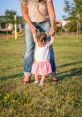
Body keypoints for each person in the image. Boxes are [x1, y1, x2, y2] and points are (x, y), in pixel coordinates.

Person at [21, 0, 58, 84]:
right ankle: (27, 74)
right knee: (29, 48)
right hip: (30, 22)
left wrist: (52, 26)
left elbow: (51, 11)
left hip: (45, 22)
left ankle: (52, 73)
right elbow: (24, 12)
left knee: (49, 49)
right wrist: (31, 25)